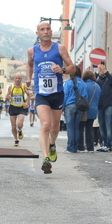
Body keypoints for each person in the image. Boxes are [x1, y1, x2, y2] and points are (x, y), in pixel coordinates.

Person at [26, 21, 76, 174]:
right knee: (45, 125)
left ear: (51, 31)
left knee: (55, 128)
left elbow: (73, 68)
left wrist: (62, 69)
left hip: (57, 93)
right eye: (42, 29)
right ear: (37, 33)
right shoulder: (32, 51)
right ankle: (46, 158)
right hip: (41, 94)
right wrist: (28, 78)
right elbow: (29, 64)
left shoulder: (59, 48)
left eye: (48, 29)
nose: (45, 32)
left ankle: (52, 144)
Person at [62, 71, 88, 154]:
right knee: (76, 127)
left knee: (70, 127)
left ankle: (70, 147)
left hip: (70, 105)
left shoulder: (69, 82)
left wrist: (62, 108)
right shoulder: (83, 83)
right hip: (80, 107)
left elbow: (65, 94)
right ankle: (75, 147)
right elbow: (86, 96)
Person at [5, 73, 30, 147]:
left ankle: (20, 130)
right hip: (13, 107)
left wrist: (27, 102)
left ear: (21, 79)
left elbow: (29, 95)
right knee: (13, 126)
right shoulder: (11, 87)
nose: (17, 80)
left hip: (21, 107)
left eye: (19, 78)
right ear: (14, 79)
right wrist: (8, 97)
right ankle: (16, 139)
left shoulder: (23, 86)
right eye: (16, 78)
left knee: (20, 123)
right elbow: (7, 96)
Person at [95, 62, 112, 152]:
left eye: (102, 68)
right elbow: (92, 82)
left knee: (108, 125)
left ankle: (109, 144)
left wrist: (106, 72)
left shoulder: (108, 79)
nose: (101, 70)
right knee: (101, 126)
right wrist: (97, 72)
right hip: (99, 105)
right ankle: (104, 143)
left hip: (108, 105)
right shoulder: (98, 80)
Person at [80, 70, 101, 152]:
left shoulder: (83, 85)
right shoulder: (97, 86)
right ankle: (90, 147)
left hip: (84, 110)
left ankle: (80, 146)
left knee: (81, 128)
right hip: (93, 110)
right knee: (89, 129)